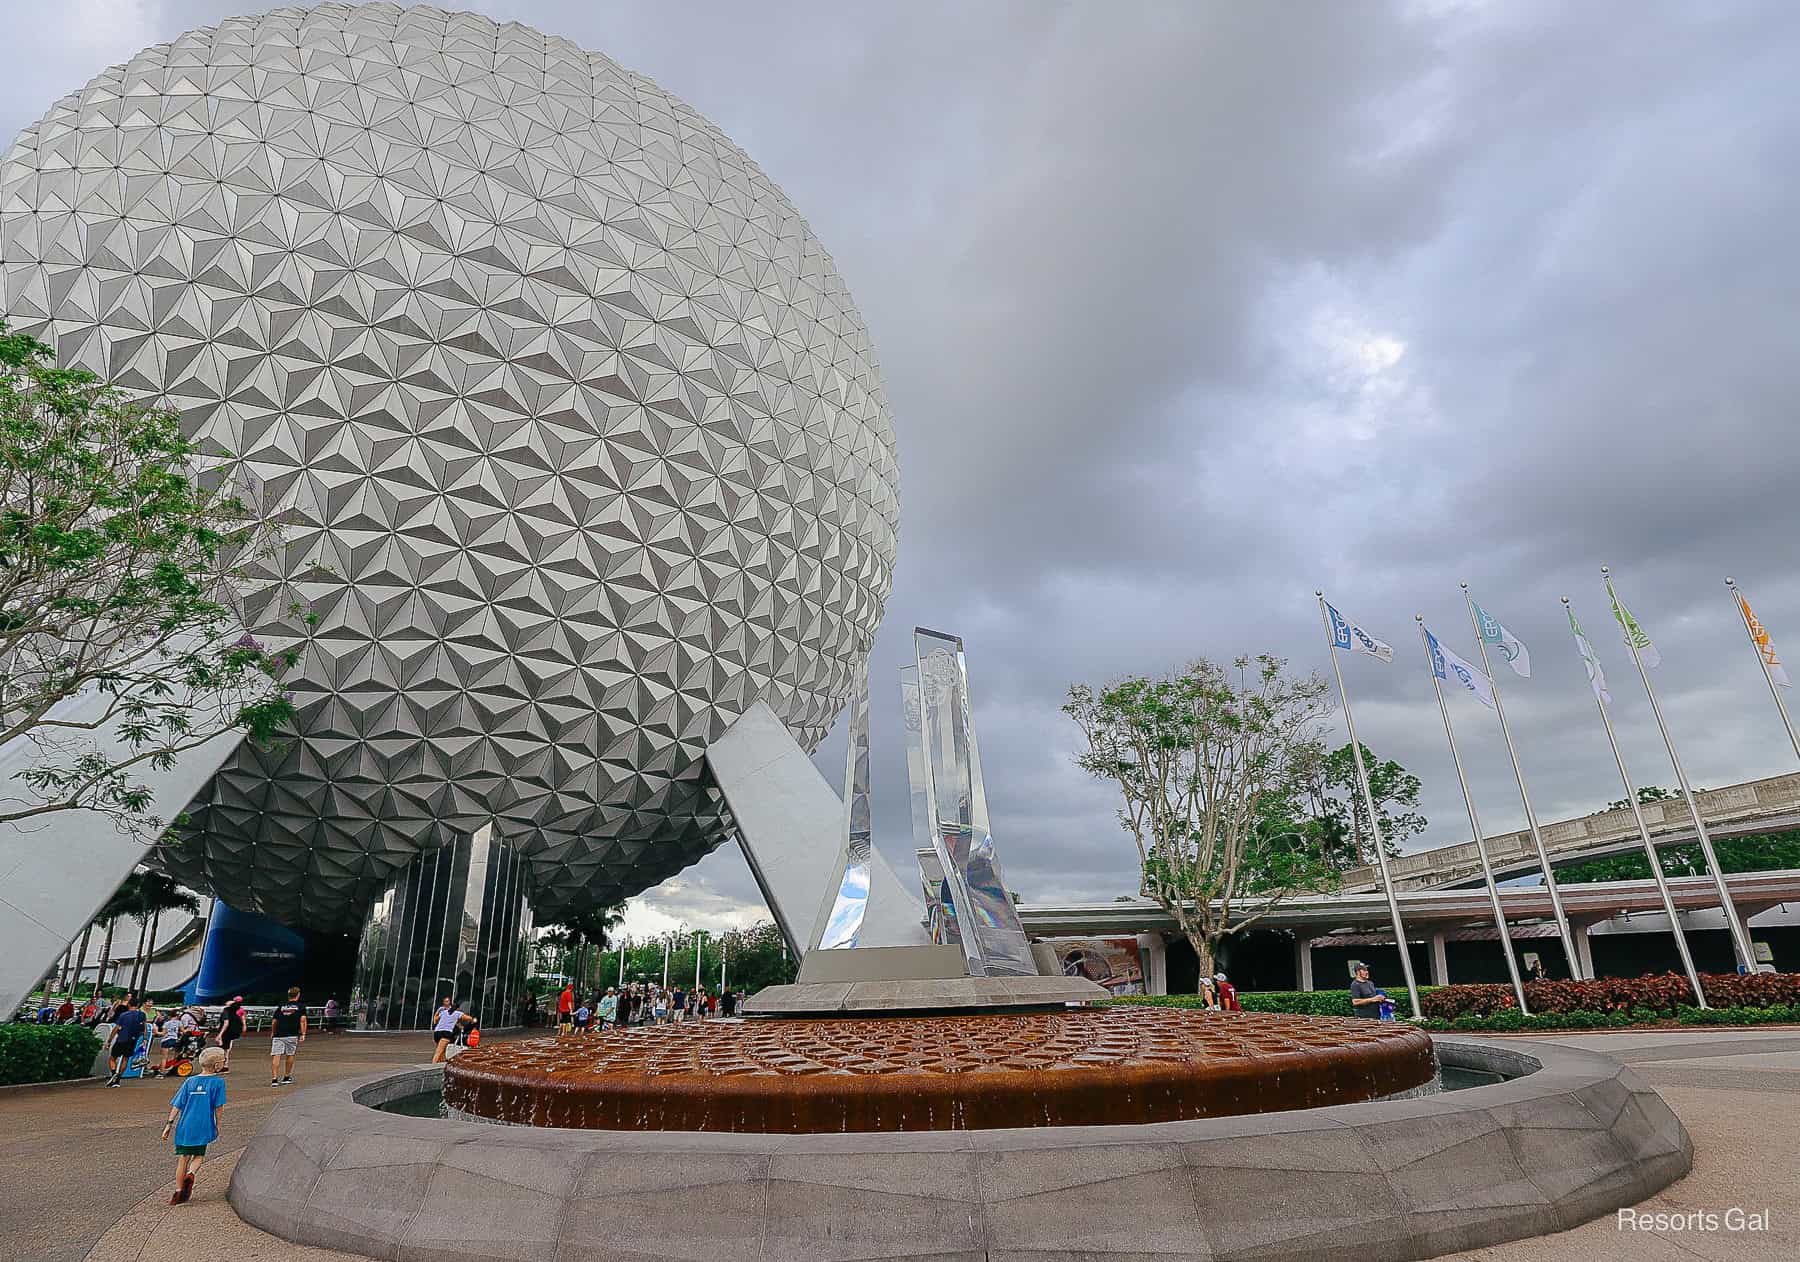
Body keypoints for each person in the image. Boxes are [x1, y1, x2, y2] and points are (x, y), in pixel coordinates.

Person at [160, 1046, 226, 1204]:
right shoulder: (218, 1083)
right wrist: (218, 1124)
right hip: (203, 1124)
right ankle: (191, 1173)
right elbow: (219, 1106)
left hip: (185, 1125)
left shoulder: (189, 1081)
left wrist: (169, 1124)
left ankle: (178, 1192)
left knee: (183, 1158)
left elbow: (177, 1104)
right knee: (199, 1155)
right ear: (217, 1065)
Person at [106, 997, 148, 1086]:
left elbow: (116, 1028)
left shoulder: (124, 1015)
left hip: (121, 1039)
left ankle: (114, 1074)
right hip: (133, 1040)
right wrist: (145, 1038)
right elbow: (145, 1028)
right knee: (125, 1059)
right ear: (138, 1005)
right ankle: (118, 1078)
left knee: (112, 1058)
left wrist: (109, 1040)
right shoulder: (142, 1015)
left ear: (129, 1004)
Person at [270, 987, 306, 1084]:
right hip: (292, 1033)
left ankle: (274, 1079)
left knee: (276, 1055)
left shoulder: (281, 1006)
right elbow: (302, 1020)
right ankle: (286, 1077)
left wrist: (273, 1032)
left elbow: (274, 1021)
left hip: (279, 1034)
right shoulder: (301, 1006)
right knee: (290, 1054)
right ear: (298, 995)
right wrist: (303, 1033)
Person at [215, 996, 245, 1072]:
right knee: (226, 1050)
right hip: (232, 1033)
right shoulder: (235, 1012)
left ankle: (221, 1066)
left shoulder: (226, 1012)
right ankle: (225, 1065)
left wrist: (220, 1034)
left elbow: (226, 1023)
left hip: (226, 1033)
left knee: (222, 1049)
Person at [430, 997, 465, 1063]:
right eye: (446, 1001)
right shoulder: (442, 1009)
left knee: (442, 1049)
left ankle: (443, 1062)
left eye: (448, 1001)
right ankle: (433, 1064)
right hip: (442, 1031)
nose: (447, 1002)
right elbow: (435, 1017)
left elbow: (454, 1020)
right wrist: (435, 1024)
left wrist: (459, 1026)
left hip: (442, 1031)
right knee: (439, 1051)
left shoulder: (450, 1010)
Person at [153, 1010, 183, 1077]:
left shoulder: (166, 1023)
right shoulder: (179, 1023)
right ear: (177, 1016)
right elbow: (183, 1031)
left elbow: (163, 1033)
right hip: (174, 1040)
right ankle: (173, 1067)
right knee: (176, 1055)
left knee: (164, 1058)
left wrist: (156, 1032)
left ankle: (162, 1073)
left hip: (166, 1040)